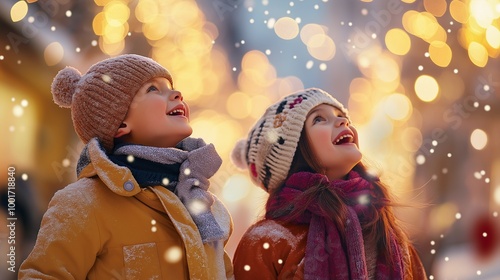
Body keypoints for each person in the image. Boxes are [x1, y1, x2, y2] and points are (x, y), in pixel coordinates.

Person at [19, 54, 233, 279]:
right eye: (153, 89)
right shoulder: (85, 204)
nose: (177, 94)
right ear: (120, 122)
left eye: (171, 87)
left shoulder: (204, 207)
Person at [230, 88, 427, 279]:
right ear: (294, 151)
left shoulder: (388, 235)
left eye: (343, 117)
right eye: (319, 119)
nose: (343, 121)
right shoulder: (266, 241)